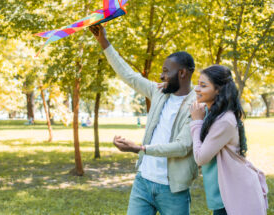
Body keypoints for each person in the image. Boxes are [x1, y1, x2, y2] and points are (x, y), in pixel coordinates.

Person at [90, 24, 198, 215]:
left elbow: (182, 147)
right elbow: (129, 75)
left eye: (166, 71)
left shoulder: (197, 105)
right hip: (143, 182)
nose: (161, 75)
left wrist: (138, 148)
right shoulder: (159, 92)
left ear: (182, 73)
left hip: (172, 189)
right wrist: (104, 42)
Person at [189, 65, 268, 215]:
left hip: (236, 194)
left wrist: (196, 122)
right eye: (198, 84)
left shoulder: (224, 120)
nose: (197, 89)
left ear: (218, 90)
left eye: (203, 85)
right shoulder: (211, 113)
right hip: (223, 194)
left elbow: (200, 158)